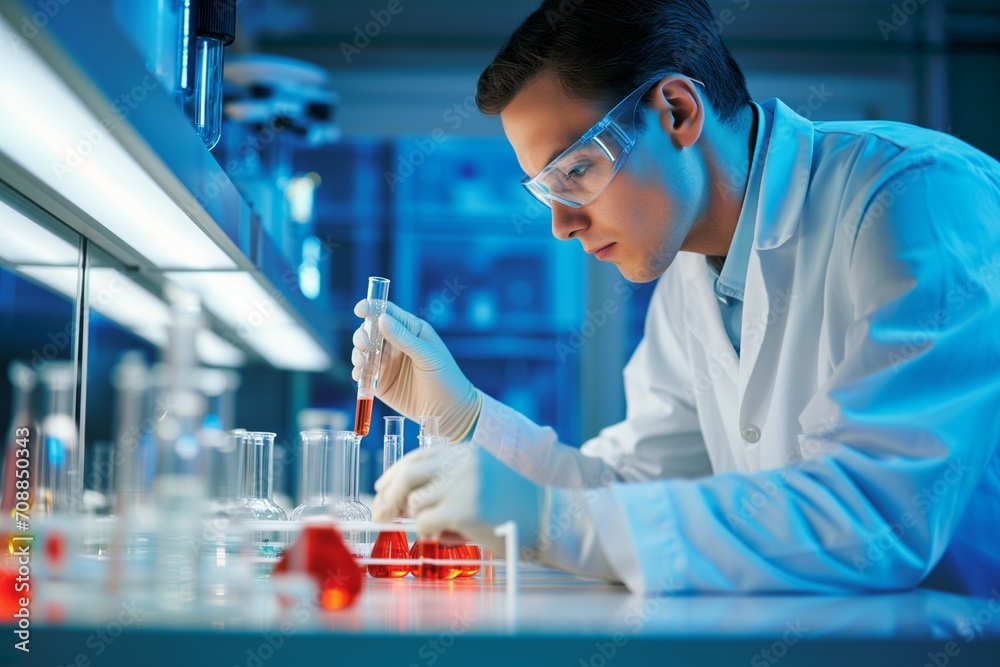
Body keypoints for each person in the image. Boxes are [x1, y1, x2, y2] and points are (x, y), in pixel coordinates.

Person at [353, 0, 1000, 595]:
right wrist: (469, 418)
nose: (561, 223)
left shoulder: (914, 198)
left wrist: (550, 520)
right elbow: (636, 491)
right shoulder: (692, 271)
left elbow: (882, 512)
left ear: (677, 112)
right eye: (544, 189)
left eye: (575, 171)